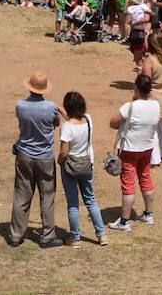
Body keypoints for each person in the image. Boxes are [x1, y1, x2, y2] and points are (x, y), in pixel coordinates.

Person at [7, 70, 63, 248]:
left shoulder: (20, 106)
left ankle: (16, 234)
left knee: (21, 195)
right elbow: (57, 123)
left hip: (24, 155)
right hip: (45, 157)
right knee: (47, 196)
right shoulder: (51, 107)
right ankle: (47, 235)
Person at [109, 73, 160, 233]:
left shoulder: (129, 107)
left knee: (128, 184)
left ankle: (124, 221)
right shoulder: (156, 105)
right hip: (147, 147)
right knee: (145, 178)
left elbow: (113, 122)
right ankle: (148, 213)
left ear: (136, 88)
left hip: (130, 149)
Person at [56, 90, 106, 247]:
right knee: (91, 200)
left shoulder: (66, 128)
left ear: (67, 107)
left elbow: (64, 152)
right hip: (86, 165)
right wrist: (62, 111)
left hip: (70, 167)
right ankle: (101, 235)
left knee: (72, 204)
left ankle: (75, 238)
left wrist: (59, 161)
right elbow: (74, 122)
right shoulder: (88, 120)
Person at [141, 31, 162, 165]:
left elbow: (145, 83)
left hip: (153, 99)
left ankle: (154, 158)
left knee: (152, 130)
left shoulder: (150, 61)